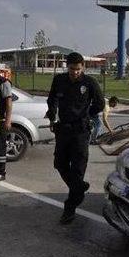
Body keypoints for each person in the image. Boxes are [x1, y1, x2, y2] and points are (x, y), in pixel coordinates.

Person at [47, 52, 105, 224]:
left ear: (83, 67)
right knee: (59, 164)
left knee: (78, 170)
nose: (75, 72)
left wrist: (87, 115)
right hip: (63, 130)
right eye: (72, 69)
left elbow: (100, 104)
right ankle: (79, 188)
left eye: (78, 69)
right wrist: (52, 115)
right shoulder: (59, 80)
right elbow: (52, 100)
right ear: (67, 66)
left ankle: (69, 209)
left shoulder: (89, 83)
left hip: (80, 132)